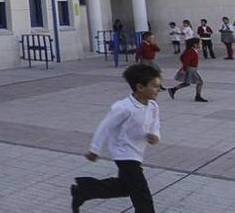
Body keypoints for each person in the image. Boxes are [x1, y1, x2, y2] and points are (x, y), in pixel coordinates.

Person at [70, 64, 162, 213]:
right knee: (141, 193)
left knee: (125, 187)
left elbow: (155, 124)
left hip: (137, 152)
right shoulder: (123, 107)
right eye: (155, 86)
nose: (159, 90)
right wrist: (95, 149)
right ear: (140, 87)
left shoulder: (153, 106)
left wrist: (155, 135)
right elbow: (105, 126)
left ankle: (84, 190)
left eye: (159, 86)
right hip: (123, 153)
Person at [168, 37, 208, 102]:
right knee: (200, 82)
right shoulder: (190, 51)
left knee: (187, 83)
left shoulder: (192, 50)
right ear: (195, 44)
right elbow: (186, 60)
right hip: (191, 69)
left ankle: (173, 90)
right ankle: (198, 96)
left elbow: (182, 57)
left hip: (191, 68)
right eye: (200, 43)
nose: (201, 44)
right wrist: (184, 69)